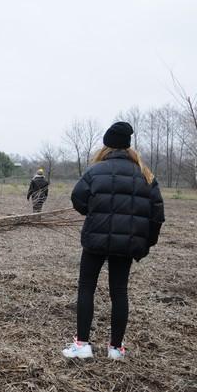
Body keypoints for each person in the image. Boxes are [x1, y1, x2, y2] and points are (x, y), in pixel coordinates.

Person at [62, 122, 165, 360]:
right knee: (119, 291)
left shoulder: (95, 171)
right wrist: (145, 243)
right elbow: (157, 214)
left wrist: (94, 212)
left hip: (95, 240)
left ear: (107, 145)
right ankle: (116, 349)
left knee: (86, 286)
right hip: (126, 245)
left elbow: (77, 198)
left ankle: (82, 345)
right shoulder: (145, 174)